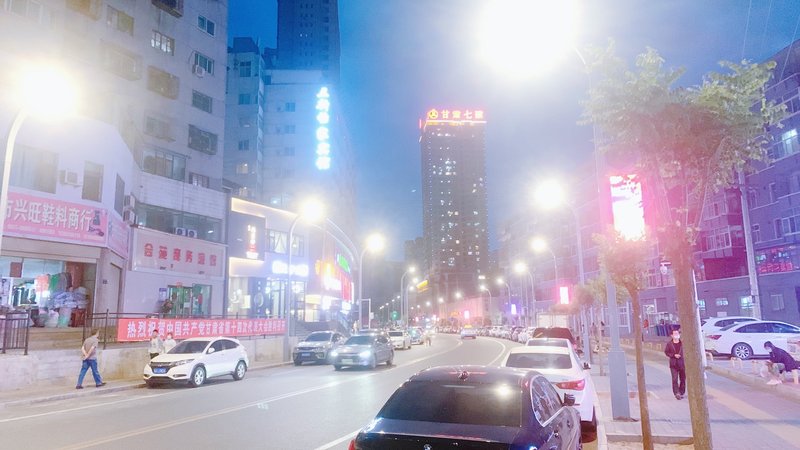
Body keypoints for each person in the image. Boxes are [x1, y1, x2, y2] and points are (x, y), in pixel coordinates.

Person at [663, 328, 686, 400]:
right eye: (675, 334)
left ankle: (681, 392)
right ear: (672, 335)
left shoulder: (682, 343)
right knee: (675, 379)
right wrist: (673, 355)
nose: (677, 335)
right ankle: (676, 393)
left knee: (683, 379)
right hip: (673, 364)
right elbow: (666, 352)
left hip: (682, 364)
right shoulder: (669, 344)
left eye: (678, 333)